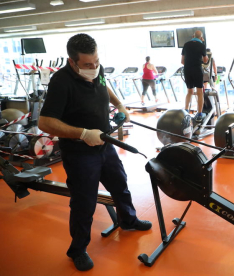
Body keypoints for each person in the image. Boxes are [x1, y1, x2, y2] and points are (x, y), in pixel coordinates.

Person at [38, 33, 152, 272]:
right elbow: (45, 122)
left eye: (96, 62)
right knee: (84, 202)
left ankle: (128, 221)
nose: (94, 68)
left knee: (120, 185)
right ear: (72, 62)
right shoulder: (61, 82)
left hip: (105, 144)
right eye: (87, 65)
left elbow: (103, 84)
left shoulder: (95, 69)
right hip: (79, 153)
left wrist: (119, 104)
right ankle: (78, 249)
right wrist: (82, 133)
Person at [181, 30, 208, 122]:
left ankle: (186, 111)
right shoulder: (202, 45)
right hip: (197, 69)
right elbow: (205, 60)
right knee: (200, 92)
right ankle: (199, 114)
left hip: (187, 69)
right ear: (201, 37)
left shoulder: (186, 44)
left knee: (189, 92)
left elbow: (182, 61)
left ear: (193, 36)